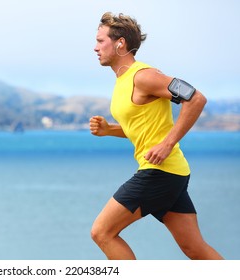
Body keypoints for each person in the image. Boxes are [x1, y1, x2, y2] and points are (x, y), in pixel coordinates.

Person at [89, 12, 223, 260]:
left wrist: (167, 143)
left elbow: (195, 99)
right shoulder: (123, 81)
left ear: (120, 43)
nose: (95, 47)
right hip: (173, 173)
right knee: (194, 248)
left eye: (100, 41)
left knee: (102, 232)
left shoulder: (144, 76)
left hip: (158, 172)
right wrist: (110, 130)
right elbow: (143, 129)